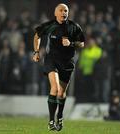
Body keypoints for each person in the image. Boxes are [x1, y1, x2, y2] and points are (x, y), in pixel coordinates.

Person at [32, 3, 85, 131]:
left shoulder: (74, 27)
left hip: (67, 63)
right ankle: (51, 121)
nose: (64, 12)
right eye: (61, 10)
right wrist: (36, 51)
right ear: (56, 13)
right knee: (54, 89)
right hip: (52, 60)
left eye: (66, 10)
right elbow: (37, 35)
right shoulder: (50, 25)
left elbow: (82, 43)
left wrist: (71, 43)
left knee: (61, 93)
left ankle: (59, 116)